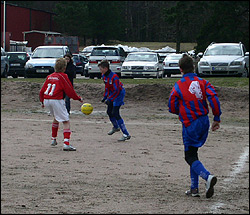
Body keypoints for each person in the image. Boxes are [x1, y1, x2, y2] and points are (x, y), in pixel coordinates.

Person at [168, 54, 222, 198]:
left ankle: (208, 177)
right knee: (194, 153)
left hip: (190, 123)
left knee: (189, 156)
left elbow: (171, 105)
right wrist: (216, 117)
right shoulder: (203, 82)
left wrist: (180, 110)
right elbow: (214, 98)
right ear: (193, 67)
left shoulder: (179, 84)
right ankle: (194, 188)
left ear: (181, 69)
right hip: (204, 121)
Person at [40, 58, 83, 151]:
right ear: (64, 68)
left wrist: (42, 101)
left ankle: (53, 139)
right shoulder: (63, 76)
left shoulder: (50, 76)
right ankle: (66, 143)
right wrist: (78, 98)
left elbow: (42, 90)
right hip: (56, 100)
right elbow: (69, 90)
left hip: (47, 99)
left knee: (56, 117)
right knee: (66, 121)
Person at [98, 59, 131, 141]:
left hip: (119, 94)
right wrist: (105, 97)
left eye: (101, 69)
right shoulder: (104, 76)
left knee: (115, 113)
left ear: (105, 68)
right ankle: (116, 127)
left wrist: (110, 99)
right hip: (112, 95)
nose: (100, 71)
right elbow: (107, 88)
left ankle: (126, 134)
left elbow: (117, 90)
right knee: (109, 112)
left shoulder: (114, 77)